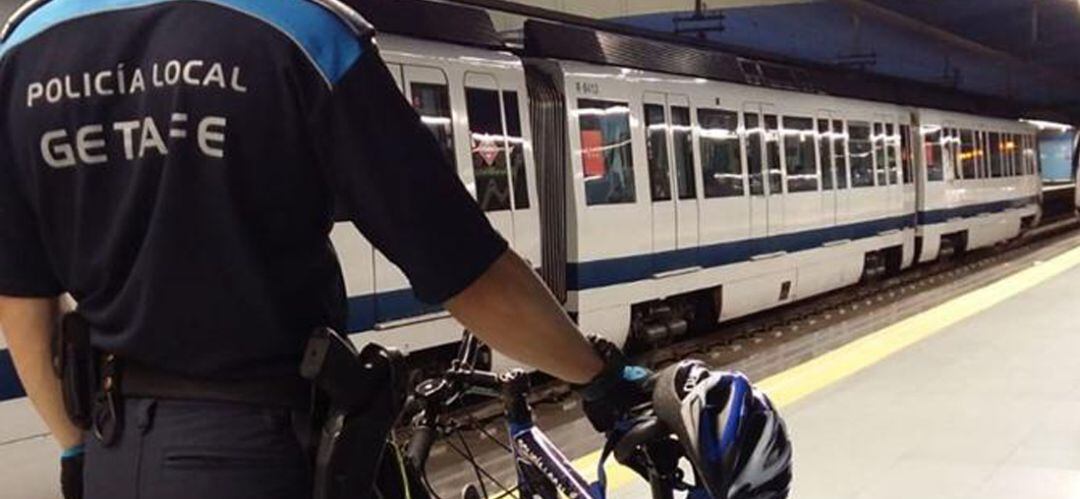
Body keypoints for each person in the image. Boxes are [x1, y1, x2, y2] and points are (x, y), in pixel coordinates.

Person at [0, 1, 646, 498]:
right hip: (258, 450)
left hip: (117, 447)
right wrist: (597, 374)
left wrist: (77, 448)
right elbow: (465, 269)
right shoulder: (299, 34)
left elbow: (21, 299)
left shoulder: (24, 47)